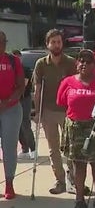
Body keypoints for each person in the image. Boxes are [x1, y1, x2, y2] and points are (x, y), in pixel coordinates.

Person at [57, 49, 95, 208]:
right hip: (75, 127)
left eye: (88, 61)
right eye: (81, 60)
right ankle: (79, 199)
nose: (83, 64)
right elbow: (61, 103)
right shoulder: (67, 82)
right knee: (78, 165)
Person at [32, 29, 78, 194]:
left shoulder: (71, 62)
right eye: (53, 42)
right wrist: (37, 112)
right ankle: (60, 181)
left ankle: (73, 179)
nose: (56, 45)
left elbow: (77, 86)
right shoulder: (41, 64)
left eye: (59, 42)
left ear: (62, 43)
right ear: (47, 44)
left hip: (68, 111)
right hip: (48, 111)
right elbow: (37, 89)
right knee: (53, 149)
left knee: (71, 148)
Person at [0, 31, 25, 199]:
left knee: (9, 148)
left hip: (11, 109)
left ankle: (9, 183)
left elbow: (20, 86)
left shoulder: (13, 61)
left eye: (1, 42)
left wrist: (7, 101)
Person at [12, 50, 36, 160]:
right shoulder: (9, 70)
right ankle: (24, 149)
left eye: (18, 58)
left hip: (24, 99)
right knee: (17, 126)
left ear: (20, 58)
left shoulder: (25, 69)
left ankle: (33, 149)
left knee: (25, 123)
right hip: (13, 100)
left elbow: (23, 84)